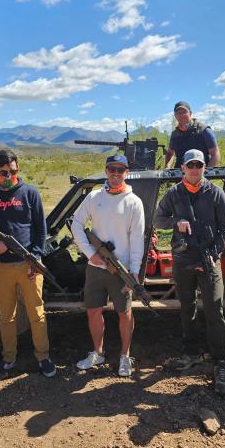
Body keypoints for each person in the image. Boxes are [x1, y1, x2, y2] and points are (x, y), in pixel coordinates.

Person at [154, 149, 225, 395]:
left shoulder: (215, 193)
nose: (195, 169)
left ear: (204, 168)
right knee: (186, 307)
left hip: (209, 261)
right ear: (183, 169)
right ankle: (191, 353)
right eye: (191, 165)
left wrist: (212, 255)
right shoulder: (174, 194)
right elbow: (158, 219)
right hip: (183, 260)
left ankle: (220, 360)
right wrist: (176, 221)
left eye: (199, 165)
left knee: (214, 309)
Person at [0, 149, 56, 379]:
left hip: (29, 265)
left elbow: (40, 229)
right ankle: (8, 359)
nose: (9, 176)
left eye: (13, 171)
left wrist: (35, 257)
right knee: (6, 316)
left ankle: (43, 357)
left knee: (37, 313)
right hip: (1, 267)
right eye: (4, 172)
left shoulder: (30, 193)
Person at [71, 154, 145, 377]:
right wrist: (91, 254)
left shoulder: (134, 202)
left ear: (126, 172)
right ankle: (98, 353)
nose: (115, 173)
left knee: (125, 312)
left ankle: (125, 356)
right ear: (106, 171)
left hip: (120, 270)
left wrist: (133, 271)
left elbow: (137, 239)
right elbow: (76, 224)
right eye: (112, 169)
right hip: (96, 269)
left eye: (120, 170)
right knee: (93, 311)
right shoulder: (94, 197)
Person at [165, 101, 220, 169]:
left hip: (199, 173)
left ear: (190, 113)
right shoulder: (175, 134)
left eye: (184, 112)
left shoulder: (203, 130)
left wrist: (206, 174)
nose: (181, 115)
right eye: (179, 113)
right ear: (175, 116)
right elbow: (170, 154)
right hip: (180, 174)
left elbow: (215, 154)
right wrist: (167, 168)